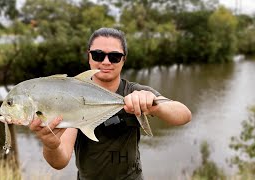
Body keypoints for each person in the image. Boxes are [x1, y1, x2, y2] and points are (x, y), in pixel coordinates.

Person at [29, 27, 192, 180]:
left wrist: (153, 104)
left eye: (114, 57)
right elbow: (60, 161)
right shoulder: (71, 95)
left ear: (123, 60)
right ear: (89, 56)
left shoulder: (133, 92)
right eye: (98, 55)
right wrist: (50, 145)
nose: (106, 62)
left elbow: (184, 115)